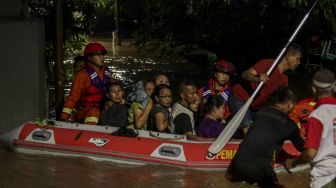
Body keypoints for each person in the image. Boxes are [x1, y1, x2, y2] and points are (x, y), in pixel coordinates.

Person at [227, 86, 304, 187]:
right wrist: (294, 161)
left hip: (236, 166)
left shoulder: (260, 112)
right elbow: (305, 149)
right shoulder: (289, 125)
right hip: (260, 170)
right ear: (290, 104)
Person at [229, 43, 302, 134]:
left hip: (255, 108)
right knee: (248, 128)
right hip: (240, 99)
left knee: (264, 130)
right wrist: (258, 79)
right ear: (288, 55)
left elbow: (279, 101)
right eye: (297, 58)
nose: (299, 63)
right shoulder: (268, 64)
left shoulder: (284, 80)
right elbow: (245, 74)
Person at [285, 69, 336, 188]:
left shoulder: (317, 115)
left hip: (325, 178)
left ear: (313, 89)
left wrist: (293, 162)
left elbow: (310, 154)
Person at [60, 42, 112, 125]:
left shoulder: (107, 73)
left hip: (103, 109)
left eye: (102, 55)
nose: (102, 57)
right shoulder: (82, 76)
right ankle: (89, 133)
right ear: (90, 57)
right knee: (94, 111)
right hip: (85, 113)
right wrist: (63, 118)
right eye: (98, 55)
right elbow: (73, 97)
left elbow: (113, 91)